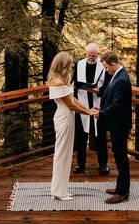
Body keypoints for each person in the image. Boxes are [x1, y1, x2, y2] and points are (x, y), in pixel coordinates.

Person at [47, 51, 98, 201]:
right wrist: (88, 114)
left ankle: (60, 190)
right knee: (61, 154)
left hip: (68, 117)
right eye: (68, 65)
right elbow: (71, 105)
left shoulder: (63, 79)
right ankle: (58, 192)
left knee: (66, 154)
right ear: (63, 65)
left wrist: (88, 109)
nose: (70, 67)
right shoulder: (57, 81)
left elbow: (74, 99)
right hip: (64, 118)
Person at [95, 50, 132, 204]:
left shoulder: (122, 80)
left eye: (106, 67)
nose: (106, 70)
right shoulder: (116, 76)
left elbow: (117, 106)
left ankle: (123, 192)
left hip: (120, 125)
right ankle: (119, 187)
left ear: (113, 64)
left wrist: (101, 114)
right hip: (116, 124)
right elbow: (109, 96)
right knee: (118, 156)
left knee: (121, 158)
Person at [72, 42, 110, 175]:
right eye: (89, 55)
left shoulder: (103, 66)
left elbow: (108, 86)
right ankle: (80, 164)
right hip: (82, 104)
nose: (91, 58)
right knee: (81, 136)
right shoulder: (79, 64)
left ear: (97, 55)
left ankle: (103, 164)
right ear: (85, 53)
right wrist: (74, 85)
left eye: (93, 56)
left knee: (100, 136)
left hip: (98, 104)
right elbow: (73, 80)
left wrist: (98, 90)